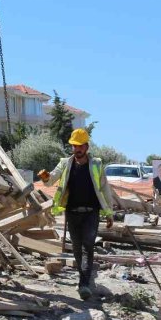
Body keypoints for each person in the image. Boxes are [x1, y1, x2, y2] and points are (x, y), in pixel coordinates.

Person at [38, 128, 115, 300]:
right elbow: (50, 180)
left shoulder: (96, 164)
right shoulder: (65, 163)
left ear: (86, 147)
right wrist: (45, 176)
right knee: (77, 249)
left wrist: (109, 213)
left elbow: (104, 188)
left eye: (80, 146)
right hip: (72, 212)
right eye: (74, 146)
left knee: (88, 246)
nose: (76, 150)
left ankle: (84, 284)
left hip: (91, 213)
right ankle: (84, 279)